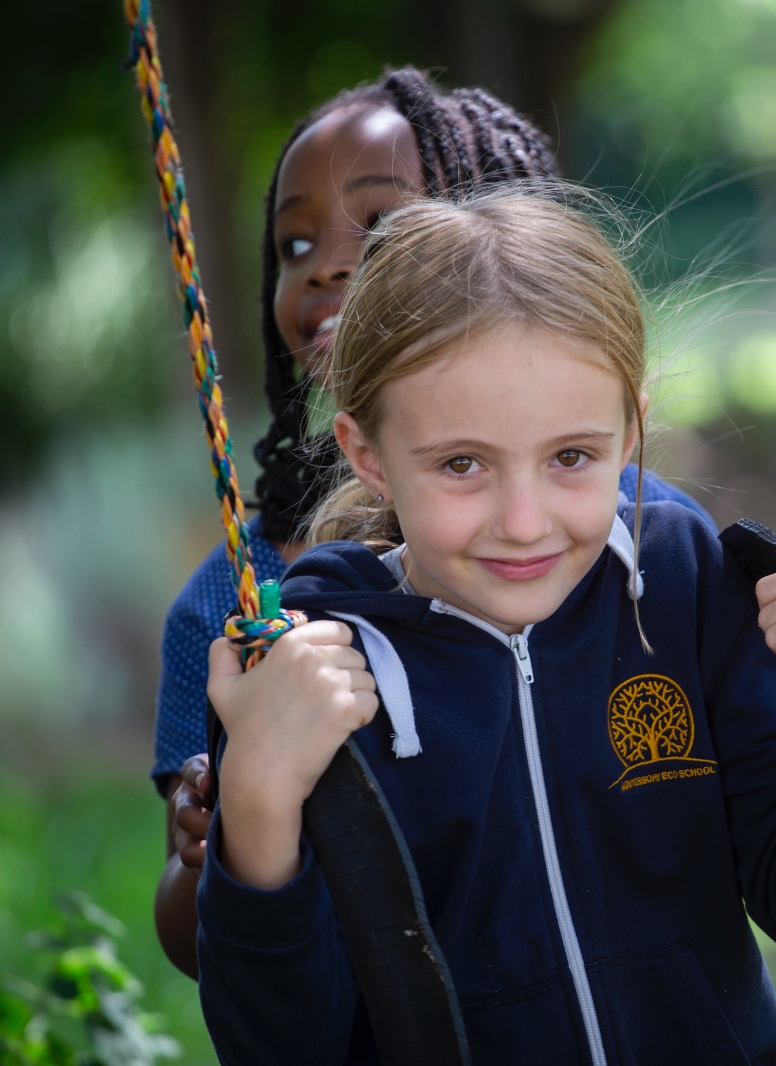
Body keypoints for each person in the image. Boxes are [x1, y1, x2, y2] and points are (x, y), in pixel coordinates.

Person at [197, 188, 776, 1063]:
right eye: (462, 464)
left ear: (630, 433)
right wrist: (257, 796)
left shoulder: (683, 588)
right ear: (368, 455)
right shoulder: (310, 669)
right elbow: (282, 1046)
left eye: (570, 457)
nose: (525, 523)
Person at [152, 69, 714, 977]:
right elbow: (204, 949)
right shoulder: (231, 600)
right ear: (366, 455)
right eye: (295, 243)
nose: (324, 266)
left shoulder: (639, 549)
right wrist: (224, 832)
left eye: (379, 227)